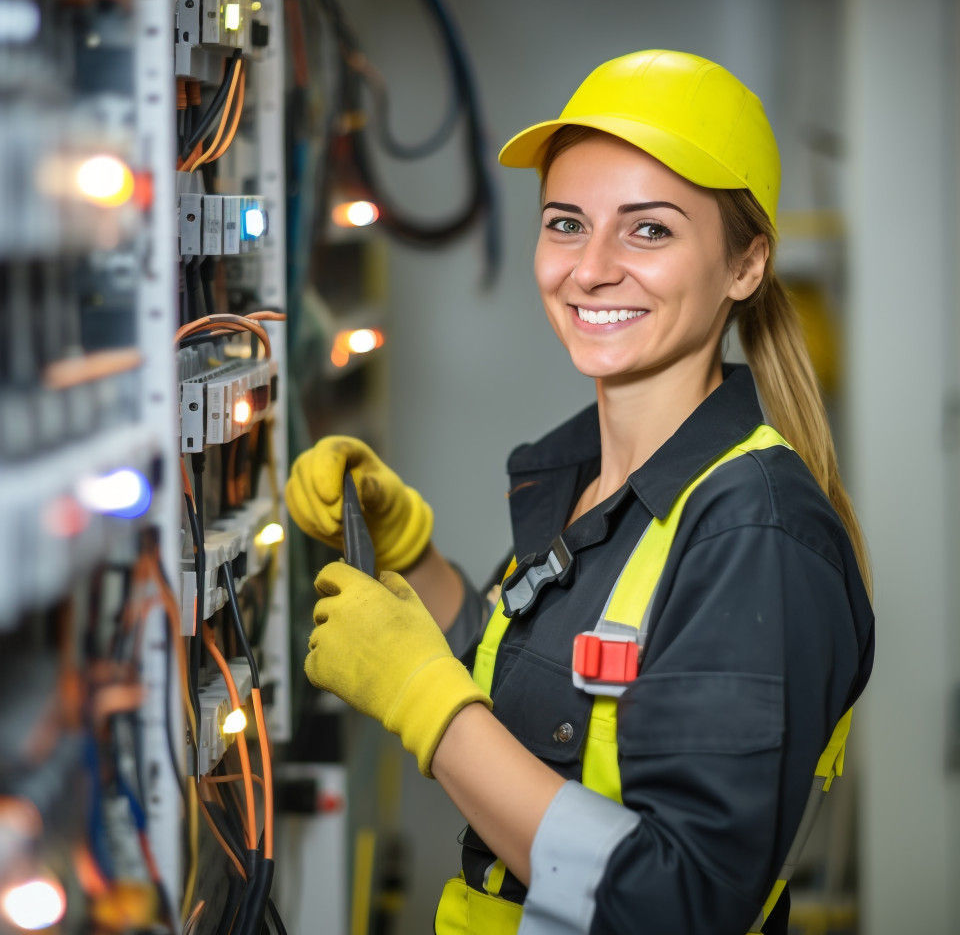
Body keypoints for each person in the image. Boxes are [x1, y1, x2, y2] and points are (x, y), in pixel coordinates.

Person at [285, 50, 875, 935]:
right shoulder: (584, 485)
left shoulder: (753, 531)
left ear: (746, 265)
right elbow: (531, 697)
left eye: (649, 230)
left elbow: (683, 904)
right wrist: (408, 554)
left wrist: (420, 703)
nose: (591, 269)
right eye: (566, 223)